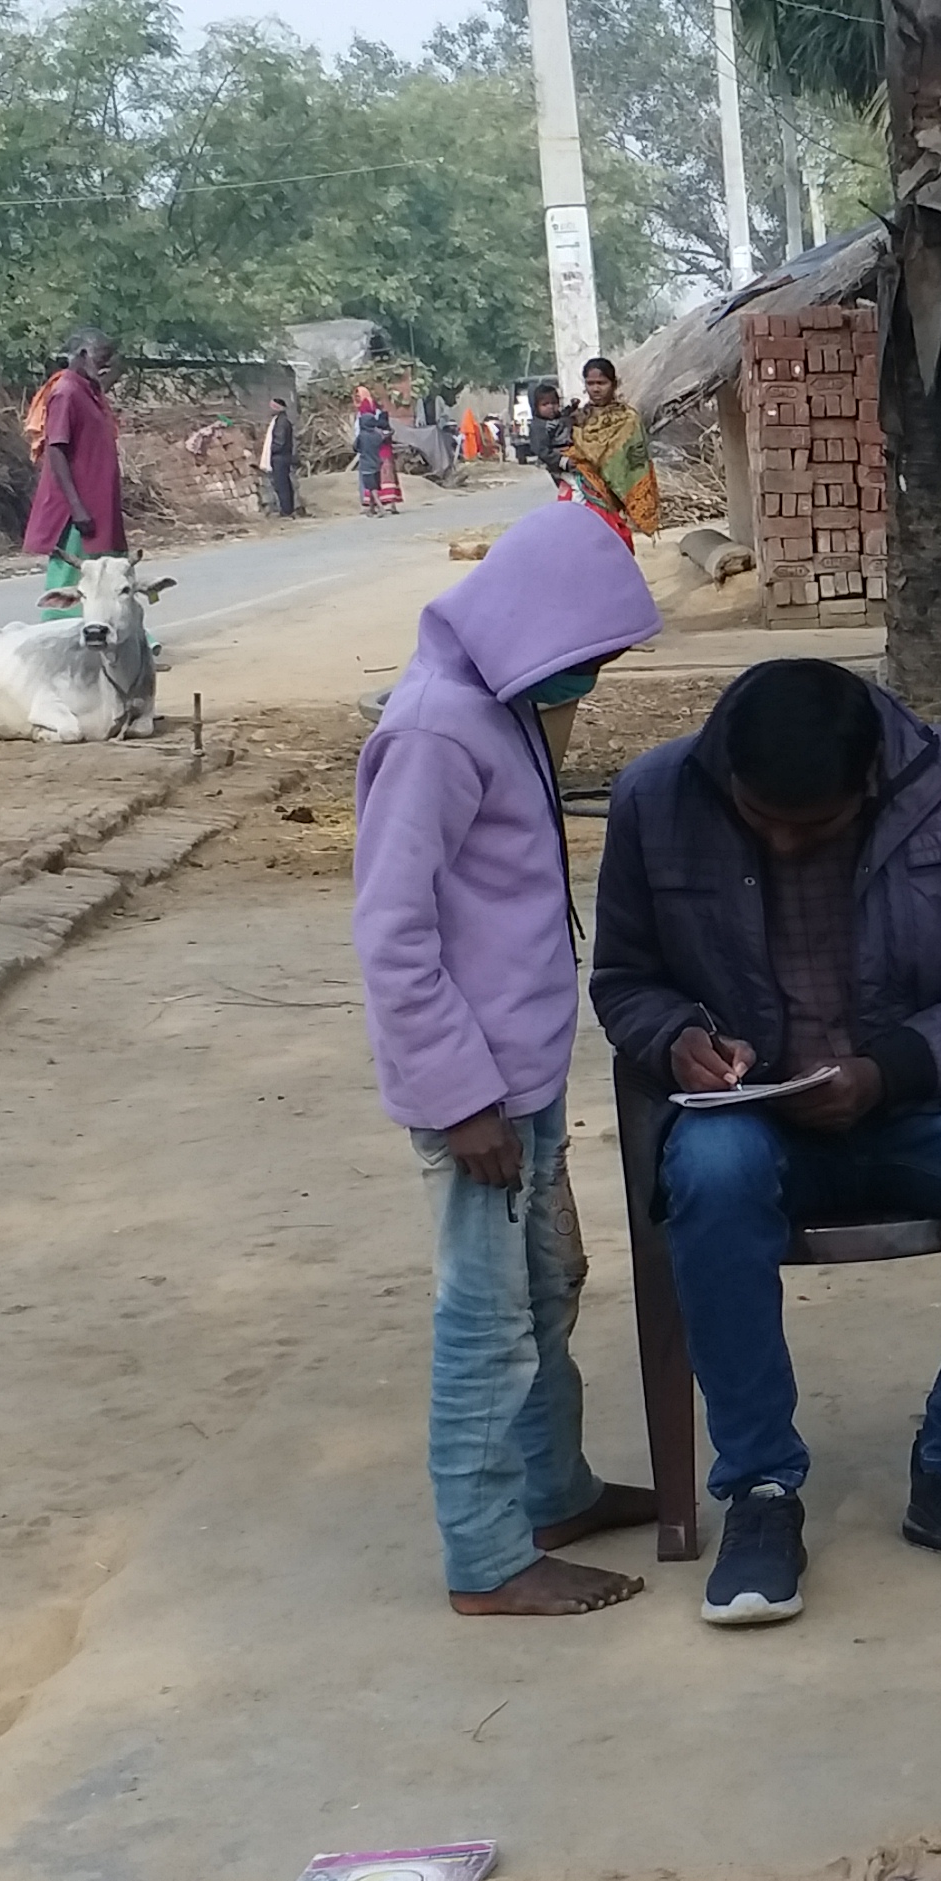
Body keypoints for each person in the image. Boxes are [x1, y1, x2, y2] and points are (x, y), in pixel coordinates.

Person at [587, 656, 941, 1624]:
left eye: (808, 827)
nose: (780, 844)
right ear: (725, 772)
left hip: (927, 1100)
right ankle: (761, 1495)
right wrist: (679, 1040)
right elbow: (626, 980)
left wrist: (896, 1066)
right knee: (710, 1181)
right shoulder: (656, 796)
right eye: (757, 818)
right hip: (751, 1117)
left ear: (868, 783)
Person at [353, 503, 670, 1617]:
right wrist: (460, 1099)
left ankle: (554, 1488)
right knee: (486, 1323)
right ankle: (487, 1557)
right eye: (585, 657)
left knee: (548, 1291)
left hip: (523, 1079)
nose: (588, 678)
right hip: (477, 1096)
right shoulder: (436, 730)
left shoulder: (503, 711)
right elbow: (393, 931)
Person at [23, 333, 122, 612]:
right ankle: (56, 636)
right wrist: (77, 508)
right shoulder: (66, 393)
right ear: (81, 354)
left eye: (109, 360)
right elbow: (56, 450)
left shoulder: (90, 391)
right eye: (100, 358)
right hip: (77, 508)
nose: (105, 366)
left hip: (98, 503)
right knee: (71, 575)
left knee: (105, 573)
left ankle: (118, 635)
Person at [564, 354, 659, 538]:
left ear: (614, 384)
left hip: (612, 498)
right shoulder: (577, 419)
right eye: (590, 383)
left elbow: (635, 462)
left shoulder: (628, 419)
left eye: (601, 383)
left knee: (612, 543)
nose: (596, 389)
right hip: (583, 494)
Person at [352, 387, 399, 513]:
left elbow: (356, 443)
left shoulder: (371, 416)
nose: (357, 400)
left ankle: (383, 505)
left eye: (359, 397)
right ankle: (377, 505)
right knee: (378, 479)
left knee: (378, 479)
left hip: (375, 453)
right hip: (378, 451)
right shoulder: (368, 416)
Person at [261, 392, 302, 523]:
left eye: (272, 406)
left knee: (282, 485)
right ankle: (288, 509)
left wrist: (271, 451)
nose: (270, 409)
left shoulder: (281, 423)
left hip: (280, 457)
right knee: (284, 484)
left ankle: (286, 510)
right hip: (282, 457)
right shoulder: (280, 421)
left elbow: (280, 442)